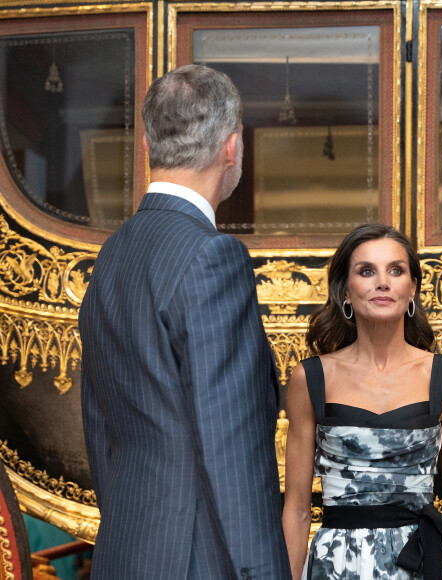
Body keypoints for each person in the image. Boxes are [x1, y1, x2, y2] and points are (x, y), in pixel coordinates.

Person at [80, 64, 291, 579]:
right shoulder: (213, 257)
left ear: (148, 148)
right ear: (231, 147)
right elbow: (233, 450)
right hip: (199, 559)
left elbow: (98, 421)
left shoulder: (110, 256)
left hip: (125, 552)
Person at [282, 224, 442, 580]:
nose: (383, 282)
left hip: (424, 564)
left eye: (396, 270)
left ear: (412, 289)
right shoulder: (310, 379)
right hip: (338, 566)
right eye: (366, 271)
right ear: (345, 292)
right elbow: (297, 510)